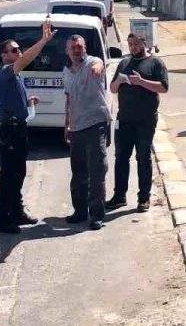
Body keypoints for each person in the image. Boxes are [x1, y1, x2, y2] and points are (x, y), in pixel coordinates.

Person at [0, 21, 55, 234]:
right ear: (4, 55)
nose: (18, 52)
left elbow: (10, 100)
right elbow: (27, 58)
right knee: (8, 176)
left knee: (18, 173)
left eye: (19, 49)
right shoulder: (4, 71)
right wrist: (43, 41)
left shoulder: (14, 74)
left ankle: (16, 211)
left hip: (18, 128)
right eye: (14, 50)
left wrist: (27, 103)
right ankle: (2, 218)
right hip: (9, 131)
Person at [107, 32, 169, 213]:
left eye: (135, 44)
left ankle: (144, 198)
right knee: (121, 157)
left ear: (144, 43)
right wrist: (119, 80)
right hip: (124, 119)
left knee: (143, 158)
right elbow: (112, 89)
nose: (133, 47)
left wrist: (141, 82)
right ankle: (119, 196)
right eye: (130, 44)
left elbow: (164, 87)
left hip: (145, 121)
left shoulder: (155, 63)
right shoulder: (124, 63)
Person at [61, 34, 111, 230]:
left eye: (79, 47)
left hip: (95, 124)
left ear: (85, 48)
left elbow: (99, 65)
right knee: (78, 173)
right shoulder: (66, 71)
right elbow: (69, 100)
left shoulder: (92, 62)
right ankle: (80, 212)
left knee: (96, 172)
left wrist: (98, 68)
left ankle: (96, 215)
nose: (76, 50)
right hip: (76, 127)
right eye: (73, 47)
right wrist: (66, 125)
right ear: (67, 51)